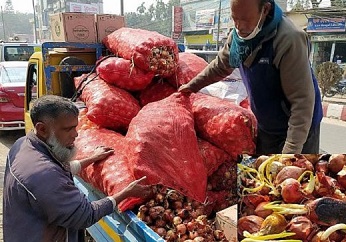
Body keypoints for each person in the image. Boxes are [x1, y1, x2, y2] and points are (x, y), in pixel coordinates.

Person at [179, 0, 323, 154]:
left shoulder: (288, 39)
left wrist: (290, 151)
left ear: (265, 10)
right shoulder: (238, 37)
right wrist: (191, 86)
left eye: (245, 20)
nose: (239, 26)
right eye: (235, 19)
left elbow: (302, 102)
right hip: (267, 126)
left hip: (298, 128)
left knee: (292, 172)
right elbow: (220, 66)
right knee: (260, 172)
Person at [3, 95, 152, 242]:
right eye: (68, 129)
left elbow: (59, 169)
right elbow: (85, 216)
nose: (76, 134)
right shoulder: (44, 174)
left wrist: (91, 159)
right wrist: (125, 193)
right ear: (42, 129)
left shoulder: (23, 145)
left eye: (75, 127)